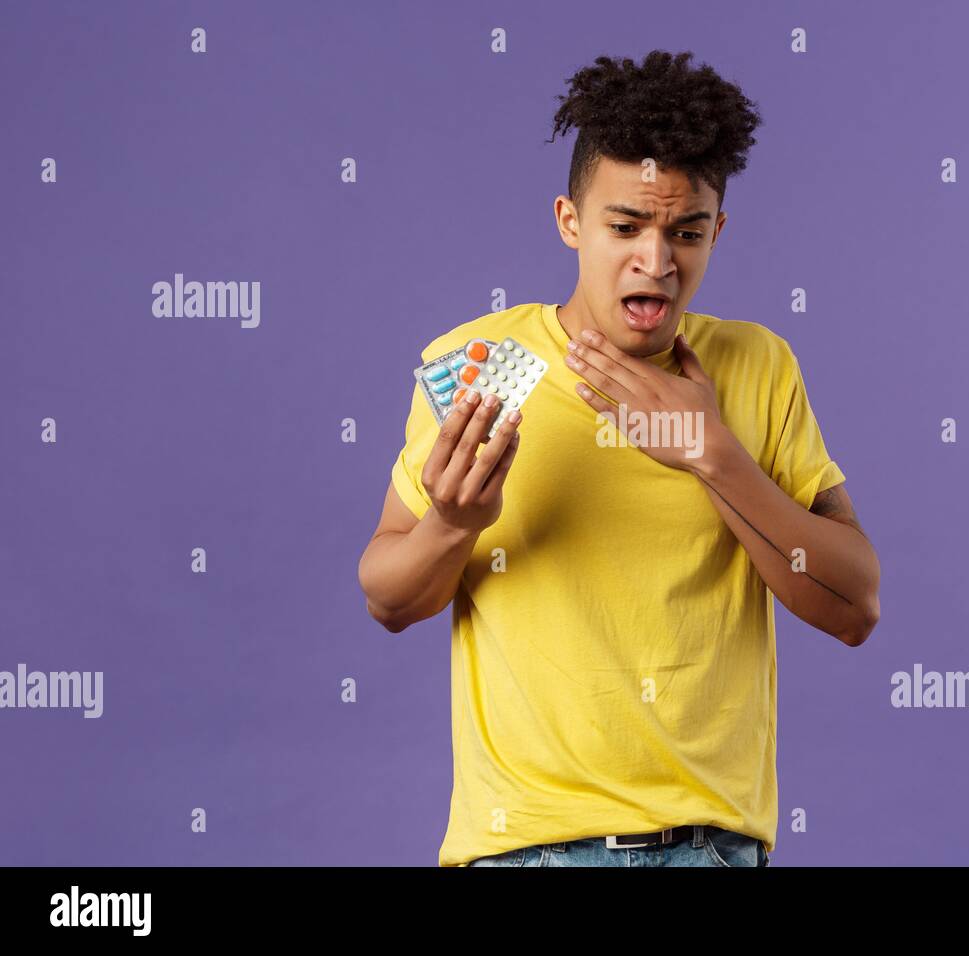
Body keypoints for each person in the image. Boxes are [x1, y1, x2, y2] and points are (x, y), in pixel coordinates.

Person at [357, 50, 881, 868]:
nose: (657, 261)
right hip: (524, 847)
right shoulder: (486, 364)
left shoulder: (757, 366)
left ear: (717, 232)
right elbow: (387, 599)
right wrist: (452, 525)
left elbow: (855, 608)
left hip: (710, 848)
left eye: (686, 231)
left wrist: (714, 457)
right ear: (570, 220)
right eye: (625, 225)